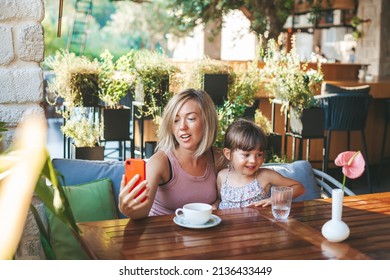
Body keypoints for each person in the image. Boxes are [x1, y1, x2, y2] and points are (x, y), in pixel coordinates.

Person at [118, 88, 226, 219]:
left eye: (191, 118)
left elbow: (241, 185)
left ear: (207, 121)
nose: (182, 127)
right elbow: (142, 211)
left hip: (201, 235)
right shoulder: (160, 162)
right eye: (176, 120)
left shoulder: (218, 158)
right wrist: (130, 208)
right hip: (162, 236)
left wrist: (218, 203)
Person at [216, 118, 305, 209]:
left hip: (258, 223)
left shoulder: (265, 176)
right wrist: (215, 206)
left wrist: (273, 199)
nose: (253, 160)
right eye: (246, 155)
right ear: (228, 154)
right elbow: (220, 199)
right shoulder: (222, 176)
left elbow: (299, 187)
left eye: (259, 154)